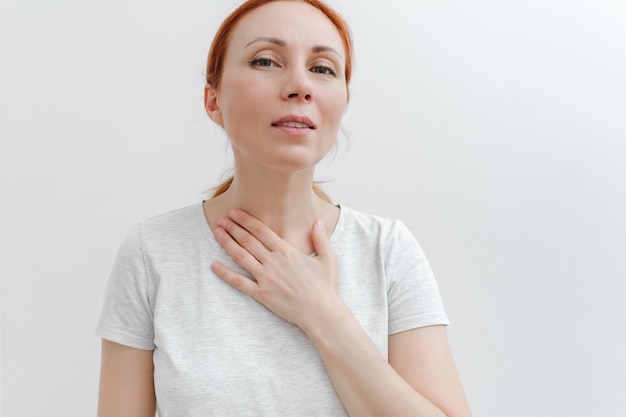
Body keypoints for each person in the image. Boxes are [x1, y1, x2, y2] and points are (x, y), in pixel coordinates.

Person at [96, 1, 473, 416]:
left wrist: (323, 313)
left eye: (323, 68)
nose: (300, 86)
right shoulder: (154, 252)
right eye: (265, 61)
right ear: (213, 100)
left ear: (343, 100)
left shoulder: (387, 251)